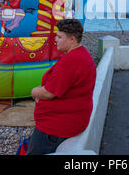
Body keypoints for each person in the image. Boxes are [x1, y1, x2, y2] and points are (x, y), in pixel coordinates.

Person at [26, 19, 96, 155]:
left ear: (72, 39)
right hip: (71, 121)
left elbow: (49, 93)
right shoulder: (81, 54)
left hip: (55, 128)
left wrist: (34, 92)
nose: (55, 40)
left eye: (59, 37)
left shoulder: (71, 61)